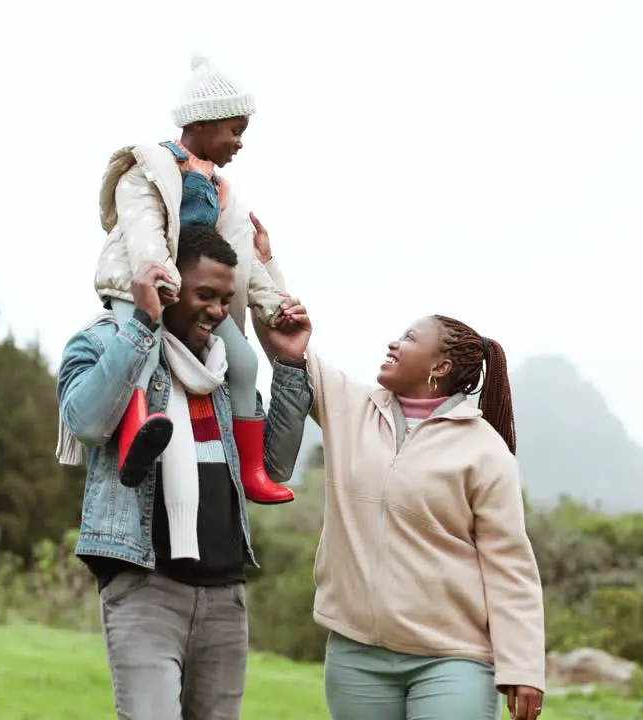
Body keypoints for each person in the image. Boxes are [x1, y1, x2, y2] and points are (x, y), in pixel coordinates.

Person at [55, 225, 314, 719]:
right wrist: (141, 326)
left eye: (225, 299)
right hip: (145, 590)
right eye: (204, 295)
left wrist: (290, 363)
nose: (217, 311)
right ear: (170, 287)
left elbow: (275, 464)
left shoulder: (222, 371)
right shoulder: (100, 342)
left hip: (224, 597)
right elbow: (86, 422)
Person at [57, 54, 296, 524]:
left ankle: (251, 469)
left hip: (192, 293)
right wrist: (159, 275)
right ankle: (135, 441)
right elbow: (143, 228)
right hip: (143, 286)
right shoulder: (148, 168)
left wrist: (275, 305)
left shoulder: (219, 189)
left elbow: (240, 259)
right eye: (235, 130)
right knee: (139, 354)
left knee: (244, 362)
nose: (240, 143)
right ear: (203, 125)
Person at [286, 313, 546, 720]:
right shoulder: (352, 410)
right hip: (357, 656)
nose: (393, 343)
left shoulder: (485, 451)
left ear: (440, 367)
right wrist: (264, 265)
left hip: (452, 660)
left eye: (408, 338)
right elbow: (288, 342)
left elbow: (509, 566)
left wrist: (524, 667)